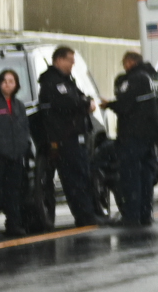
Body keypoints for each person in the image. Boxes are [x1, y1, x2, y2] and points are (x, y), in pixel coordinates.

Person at [35, 44, 105, 225]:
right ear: (59, 60)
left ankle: (91, 213)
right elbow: (69, 103)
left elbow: (83, 97)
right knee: (74, 178)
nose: (72, 65)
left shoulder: (67, 80)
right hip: (64, 139)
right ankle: (84, 216)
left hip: (76, 136)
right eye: (70, 61)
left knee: (83, 175)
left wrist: (85, 102)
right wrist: (84, 104)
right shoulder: (52, 82)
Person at [0, 67, 38, 235]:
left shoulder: (19, 105)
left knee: (14, 191)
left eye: (11, 81)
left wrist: (23, 147)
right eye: (4, 81)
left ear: (16, 84)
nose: (8, 85)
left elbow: (24, 128)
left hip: (15, 155)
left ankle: (13, 224)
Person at [110, 48, 158, 230]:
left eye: (124, 64)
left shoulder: (135, 78)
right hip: (150, 134)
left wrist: (109, 104)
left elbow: (124, 105)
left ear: (129, 62)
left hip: (134, 134)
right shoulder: (153, 78)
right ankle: (145, 213)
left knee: (131, 176)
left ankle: (132, 216)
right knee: (147, 176)